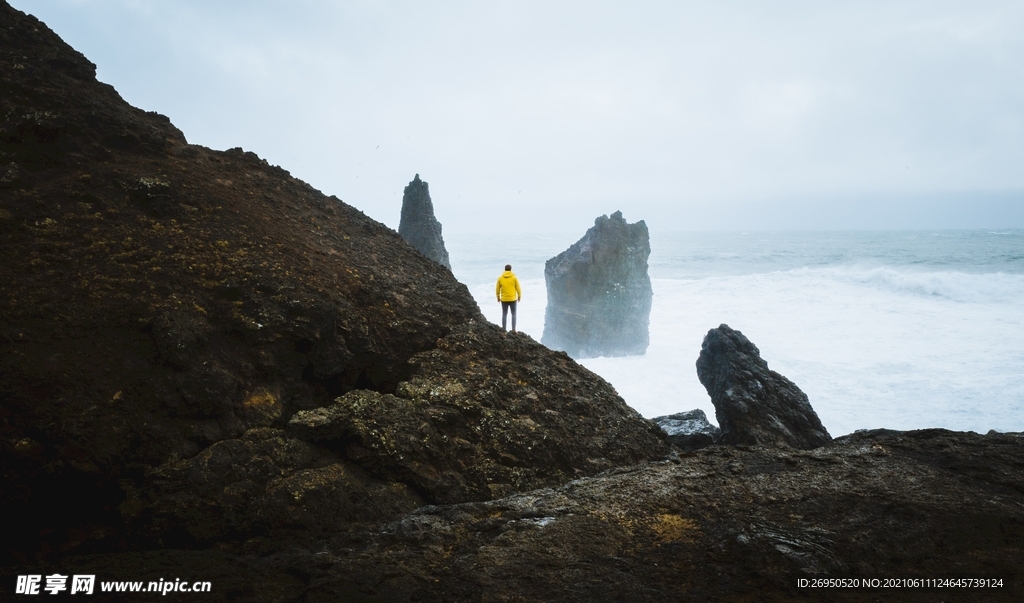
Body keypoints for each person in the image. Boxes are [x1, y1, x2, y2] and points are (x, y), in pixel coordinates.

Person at [495, 264, 522, 333]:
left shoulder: (500, 278)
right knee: (513, 314)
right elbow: (518, 288)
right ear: (511, 269)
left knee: (504, 314)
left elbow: (497, 289)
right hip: (513, 299)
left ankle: (504, 329)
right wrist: (519, 296)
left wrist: (498, 297)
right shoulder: (514, 278)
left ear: (505, 269)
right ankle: (513, 329)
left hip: (504, 299)